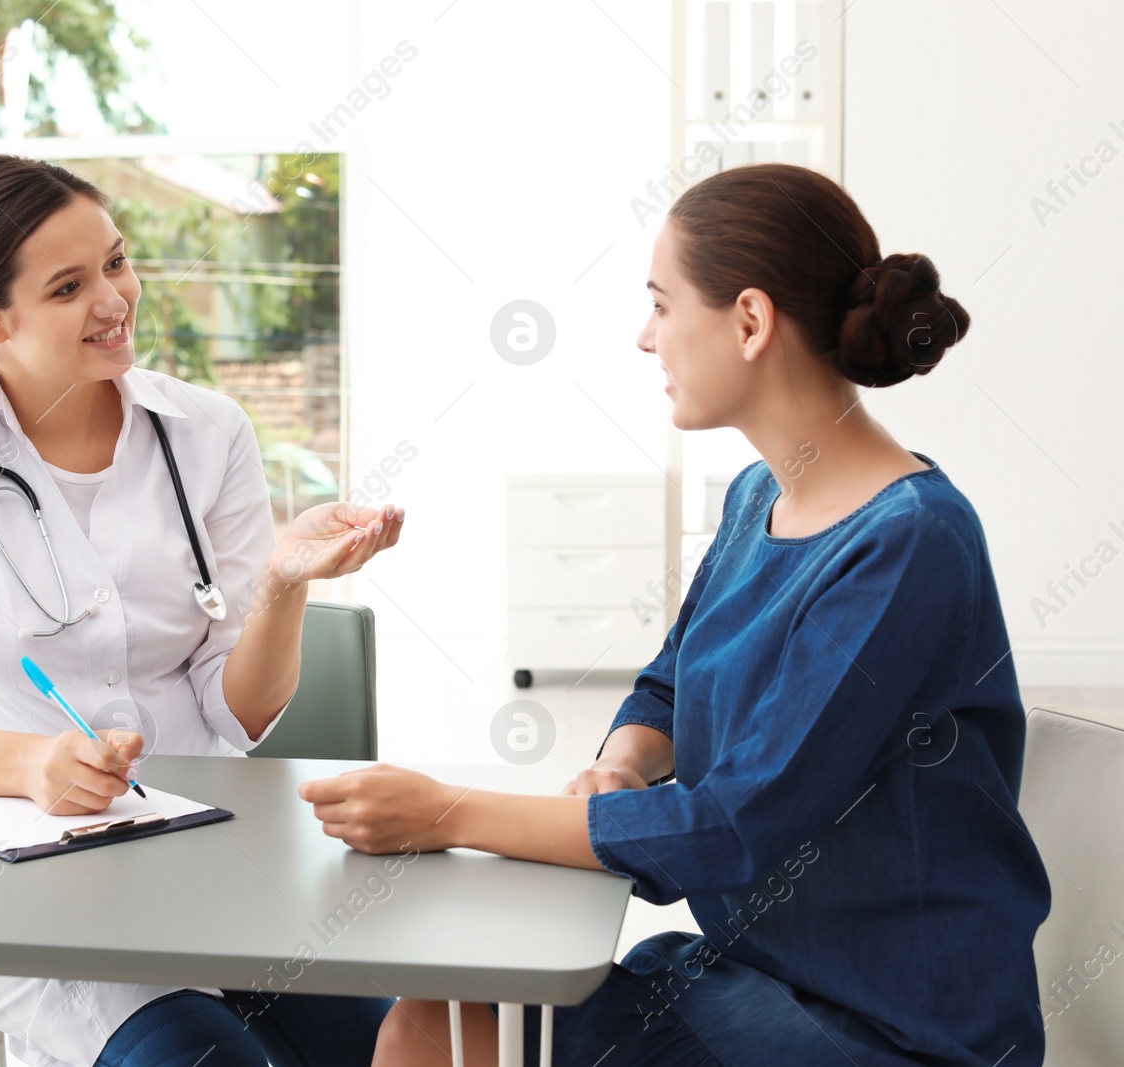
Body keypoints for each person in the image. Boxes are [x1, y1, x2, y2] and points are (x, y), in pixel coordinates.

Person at [299, 162, 1051, 1067]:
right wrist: (624, 758)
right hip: (756, 969)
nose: (644, 338)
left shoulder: (912, 541)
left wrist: (446, 813)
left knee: (447, 1024)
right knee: (440, 1009)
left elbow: (733, 824)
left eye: (660, 304)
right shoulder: (755, 498)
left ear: (748, 321)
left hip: (886, 1023)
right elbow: (666, 684)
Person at [0, 154, 403, 1067]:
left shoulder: (208, 433)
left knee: (405, 1045)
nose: (115, 299)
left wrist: (284, 582)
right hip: (34, 877)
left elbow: (231, 712)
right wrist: (28, 766)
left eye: (116, 263)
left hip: (216, 854)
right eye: (69, 285)